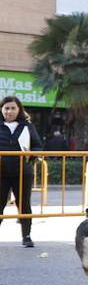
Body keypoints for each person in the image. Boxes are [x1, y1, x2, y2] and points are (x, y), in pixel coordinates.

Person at [0, 96, 40, 248]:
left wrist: (32, 153)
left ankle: (26, 236)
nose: (9, 111)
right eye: (6, 108)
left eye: (13, 108)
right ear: (1, 109)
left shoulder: (27, 126)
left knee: (24, 205)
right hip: (1, 173)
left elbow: (38, 145)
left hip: (23, 172)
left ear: (19, 110)